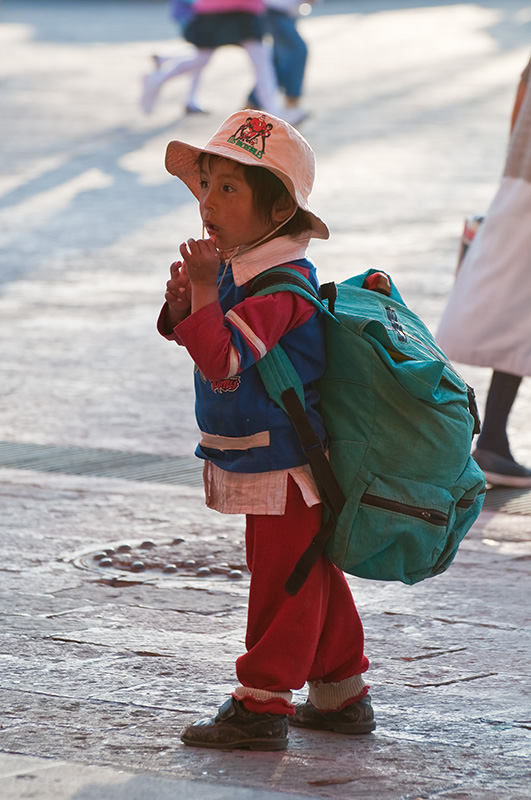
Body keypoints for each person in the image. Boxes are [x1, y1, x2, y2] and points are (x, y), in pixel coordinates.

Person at [157, 109, 374, 750]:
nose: (209, 204)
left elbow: (224, 357)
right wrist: (186, 299)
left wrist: (202, 290)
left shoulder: (284, 284)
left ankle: (263, 701)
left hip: (286, 460)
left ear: (278, 212)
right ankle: (340, 692)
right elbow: (200, 338)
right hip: (261, 453)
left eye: (230, 189)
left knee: (284, 577)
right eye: (207, 186)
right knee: (306, 569)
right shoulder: (241, 266)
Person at [436, 56, 531, 488]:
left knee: (516, 319)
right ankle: (490, 438)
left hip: (519, 190)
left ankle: (492, 438)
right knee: (516, 319)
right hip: (522, 195)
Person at [141, 0, 304, 124]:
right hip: (222, 9)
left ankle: (273, 113)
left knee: (261, 62)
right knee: (201, 60)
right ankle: (156, 79)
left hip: (237, 11)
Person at [248, 0, 312, 113]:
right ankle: (292, 102)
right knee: (298, 51)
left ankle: (253, 103)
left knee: (280, 60)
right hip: (274, 10)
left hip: (285, 12)